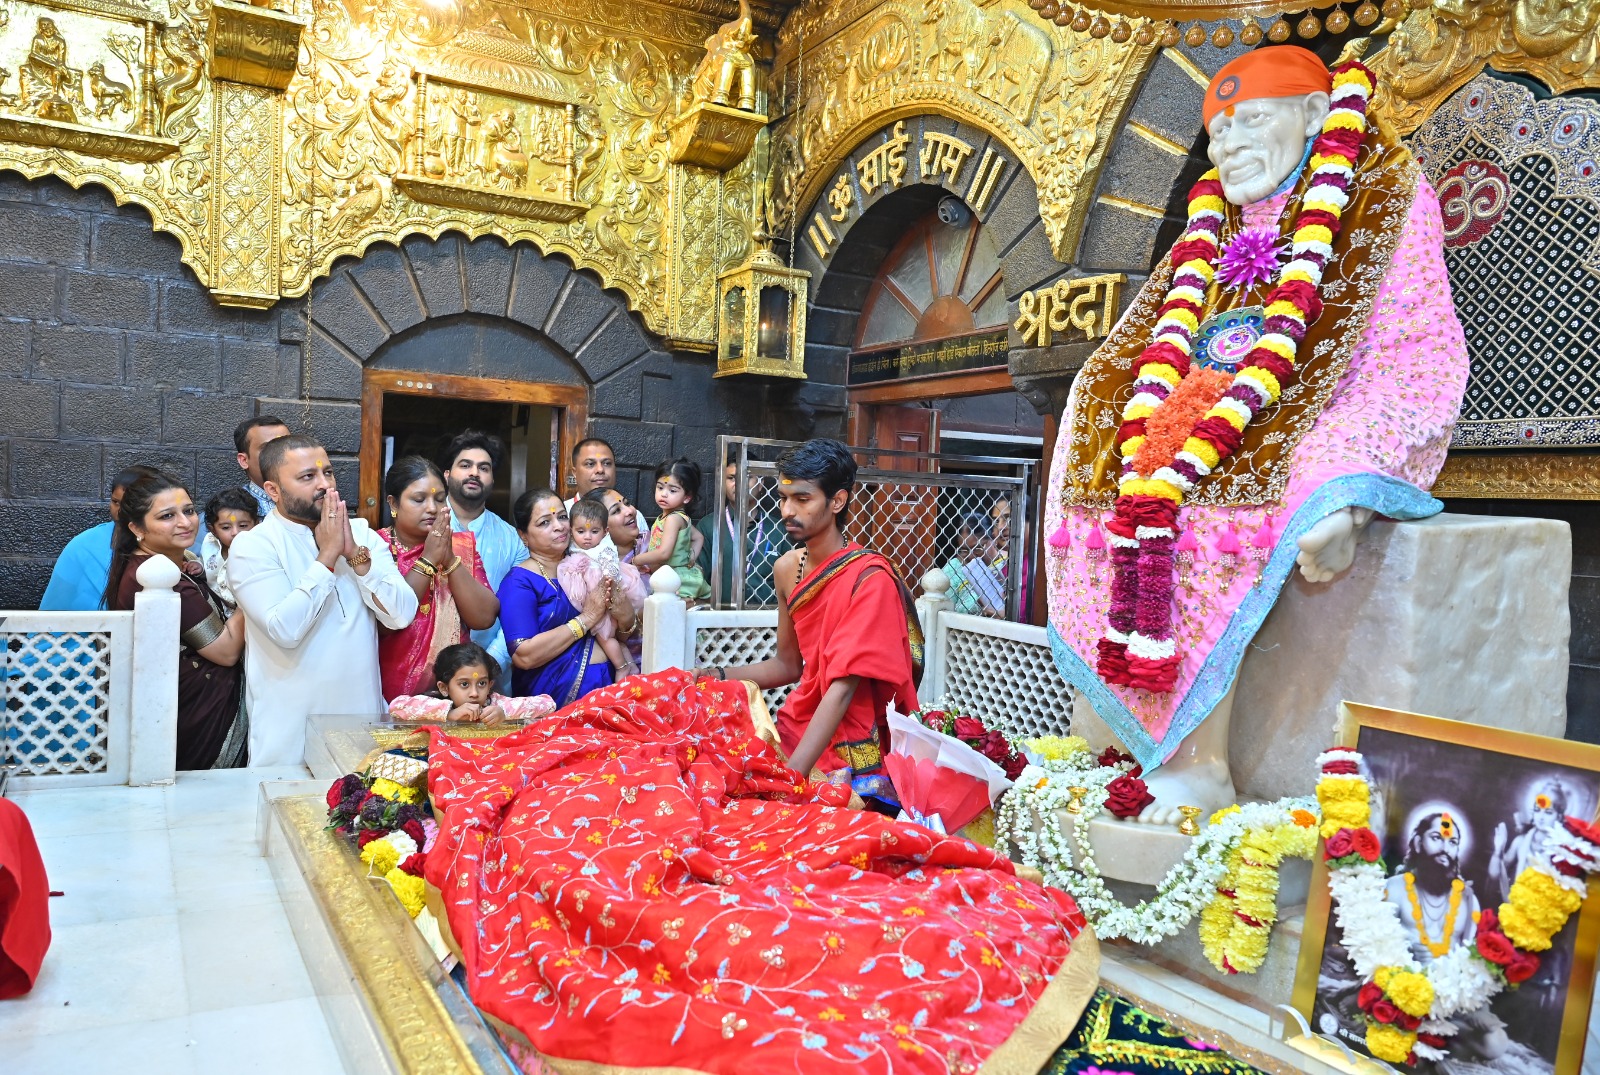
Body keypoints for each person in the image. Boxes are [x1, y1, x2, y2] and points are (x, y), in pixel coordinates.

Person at [1045, 46, 1469, 819]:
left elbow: (1407, 345)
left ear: (1313, 115)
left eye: (1251, 121)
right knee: (1116, 469)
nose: (1229, 144)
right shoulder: (1209, 228)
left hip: (1327, 404)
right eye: (1218, 131)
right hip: (1199, 414)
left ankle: (1199, 764)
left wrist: (1343, 493)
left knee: (1237, 501)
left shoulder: (1380, 194)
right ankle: (1130, 743)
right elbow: (1143, 338)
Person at [706, 439, 920, 800]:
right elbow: (788, 665)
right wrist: (714, 675)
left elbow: (842, 688)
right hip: (796, 728)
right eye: (783, 498)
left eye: (802, 499)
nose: (787, 510)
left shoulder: (871, 579)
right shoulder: (785, 568)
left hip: (849, 749)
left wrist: (790, 779)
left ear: (837, 501)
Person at [228, 434, 417, 766]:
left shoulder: (362, 535)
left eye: (327, 472)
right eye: (307, 476)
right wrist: (328, 555)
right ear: (273, 490)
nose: (324, 485)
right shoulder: (254, 546)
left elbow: (401, 615)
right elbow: (285, 630)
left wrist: (354, 555)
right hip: (289, 739)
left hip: (363, 732)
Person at [104, 471, 248, 770]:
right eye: (167, 516)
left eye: (189, 511)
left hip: (185, 704)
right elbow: (226, 650)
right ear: (137, 528)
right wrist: (253, 587)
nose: (185, 522)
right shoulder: (157, 578)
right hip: (197, 713)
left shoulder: (165, 564)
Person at [498, 490, 637, 706]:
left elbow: (615, 634)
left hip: (611, 692)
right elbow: (524, 655)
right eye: (545, 522)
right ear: (523, 535)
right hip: (556, 700)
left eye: (562, 517)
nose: (559, 526)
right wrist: (586, 619)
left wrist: (627, 617)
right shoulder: (519, 582)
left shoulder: (588, 565)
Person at [377, 456, 499, 700]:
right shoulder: (376, 547)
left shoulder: (461, 546)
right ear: (393, 503)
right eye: (419, 499)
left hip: (456, 696)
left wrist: (450, 560)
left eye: (440, 498)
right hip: (389, 693)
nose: (432, 508)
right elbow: (386, 624)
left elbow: (484, 618)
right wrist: (429, 559)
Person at [442, 430, 524, 686]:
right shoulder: (423, 525)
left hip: (493, 674)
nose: (474, 473)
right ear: (447, 475)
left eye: (483, 468)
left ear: (492, 480)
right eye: (465, 465)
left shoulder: (512, 540)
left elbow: (517, 610)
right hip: (427, 667)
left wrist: (491, 663)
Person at [39, 464, 158, 611]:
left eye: (130, 504)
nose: (121, 511)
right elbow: (56, 608)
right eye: (115, 502)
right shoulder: (85, 545)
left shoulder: (170, 540)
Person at [387, 642, 556, 725]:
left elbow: (548, 704)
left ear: (490, 685)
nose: (475, 693)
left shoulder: (495, 704)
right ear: (444, 688)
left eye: (481, 683)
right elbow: (396, 706)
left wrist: (505, 713)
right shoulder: (436, 703)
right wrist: (449, 714)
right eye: (464, 684)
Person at [562, 498, 640, 678]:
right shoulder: (572, 545)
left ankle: (621, 668)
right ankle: (632, 667)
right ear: (571, 530)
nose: (587, 537)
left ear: (605, 532)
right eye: (581, 531)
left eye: (594, 531)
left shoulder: (605, 549)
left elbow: (612, 571)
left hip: (605, 598)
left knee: (604, 638)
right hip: (592, 597)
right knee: (615, 640)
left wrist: (609, 587)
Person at [695, 462, 782, 606]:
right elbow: (697, 574)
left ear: (761, 484)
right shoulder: (709, 526)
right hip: (719, 615)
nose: (739, 483)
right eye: (731, 478)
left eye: (747, 477)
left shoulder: (778, 529)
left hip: (768, 615)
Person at [631, 458, 711, 603]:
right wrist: (690, 558)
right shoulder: (674, 517)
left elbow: (664, 553)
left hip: (676, 578)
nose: (664, 494)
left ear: (687, 497)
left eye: (672, 490)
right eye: (660, 487)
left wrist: (637, 560)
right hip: (672, 575)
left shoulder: (673, 519)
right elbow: (698, 537)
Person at [199, 487, 261, 606]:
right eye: (226, 527)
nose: (235, 532)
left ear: (256, 524)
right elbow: (208, 568)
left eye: (243, 526)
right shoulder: (209, 544)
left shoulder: (260, 550)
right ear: (213, 530)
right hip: (218, 609)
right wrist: (199, 568)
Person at [566, 437, 616, 506]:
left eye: (607, 463)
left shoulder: (628, 511)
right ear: (575, 472)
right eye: (590, 464)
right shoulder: (563, 511)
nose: (600, 470)